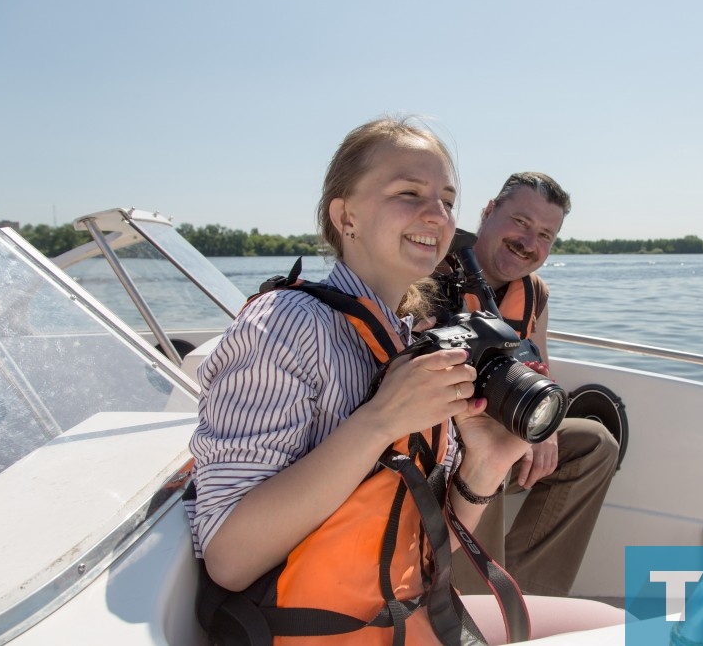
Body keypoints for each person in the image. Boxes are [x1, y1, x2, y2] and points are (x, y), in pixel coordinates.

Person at [185, 118, 623, 645]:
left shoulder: (405, 338)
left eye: (445, 198)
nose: (435, 214)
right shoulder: (285, 324)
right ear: (345, 216)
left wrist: (484, 466)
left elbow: (421, 548)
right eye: (408, 192)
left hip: (404, 612)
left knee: (621, 625)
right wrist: (380, 421)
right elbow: (229, 560)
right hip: (327, 629)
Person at [440, 172, 620, 598]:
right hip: (442, 442)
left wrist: (547, 427)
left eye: (545, 234)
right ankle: (473, 606)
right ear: (488, 212)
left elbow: (538, 365)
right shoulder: (430, 271)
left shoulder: (534, 292)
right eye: (520, 222)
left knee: (596, 446)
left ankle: (528, 597)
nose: (529, 242)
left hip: (499, 426)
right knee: (493, 448)